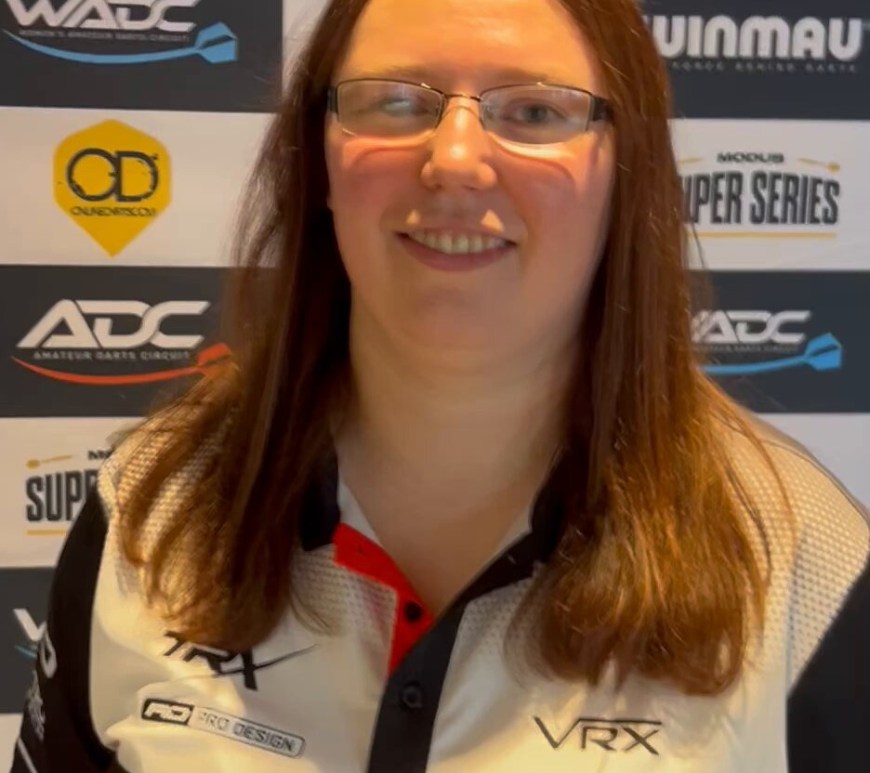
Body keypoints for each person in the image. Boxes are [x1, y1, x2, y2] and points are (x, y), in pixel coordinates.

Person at [11, 0, 868, 771]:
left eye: (535, 111)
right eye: (396, 102)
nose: (455, 159)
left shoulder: (808, 563)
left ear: (626, 172)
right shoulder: (151, 507)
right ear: (320, 163)